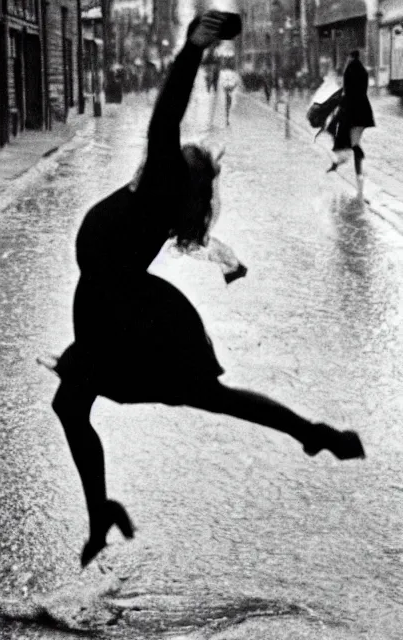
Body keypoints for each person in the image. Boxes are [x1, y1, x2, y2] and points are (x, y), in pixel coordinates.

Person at [51, 12, 365, 569]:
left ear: (179, 169)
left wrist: (193, 48)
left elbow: (166, 114)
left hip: (124, 311)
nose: (168, 152)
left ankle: (311, 433)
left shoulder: (159, 182)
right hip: (109, 305)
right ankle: (101, 512)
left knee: (115, 400)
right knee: (82, 403)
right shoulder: (159, 193)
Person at [326, 50, 375, 195]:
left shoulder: (349, 70)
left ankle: (354, 170)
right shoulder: (363, 71)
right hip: (363, 112)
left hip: (352, 112)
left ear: (350, 57)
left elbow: (347, 92)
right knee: (354, 142)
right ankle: (356, 171)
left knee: (343, 136)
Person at [220, 62, 241, 126]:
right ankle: (227, 117)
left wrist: (225, 87)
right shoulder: (234, 73)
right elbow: (237, 82)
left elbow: (221, 82)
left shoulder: (222, 73)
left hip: (226, 89)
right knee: (229, 104)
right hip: (230, 89)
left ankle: (227, 117)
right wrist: (233, 87)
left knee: (227, 104)